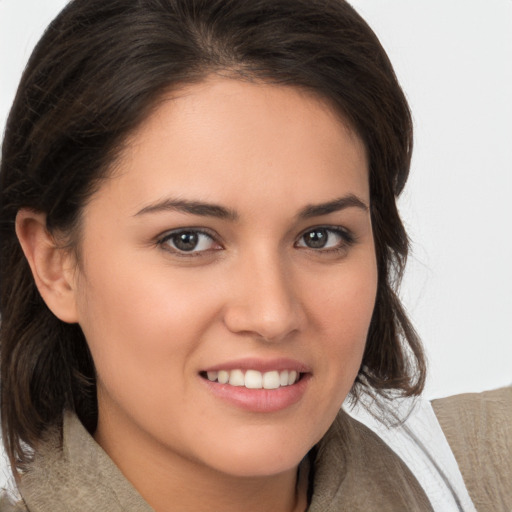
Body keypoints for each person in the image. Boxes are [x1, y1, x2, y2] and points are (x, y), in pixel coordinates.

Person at [0, 0, 509, 511]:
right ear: (55, 264)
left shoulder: (488, 475)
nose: (272, 314)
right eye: (189, 240)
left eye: (320, 237)